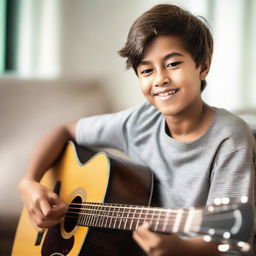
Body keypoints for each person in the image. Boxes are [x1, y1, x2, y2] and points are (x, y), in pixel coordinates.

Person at [19, 4, 255, 256]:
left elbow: (231, 247)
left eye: (173, 64)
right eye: (147, 70)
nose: (160, 79)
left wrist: (180, 248)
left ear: (202, 66)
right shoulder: (141, 120)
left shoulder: (230, 139)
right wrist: (29, 182)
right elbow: (64, 130)